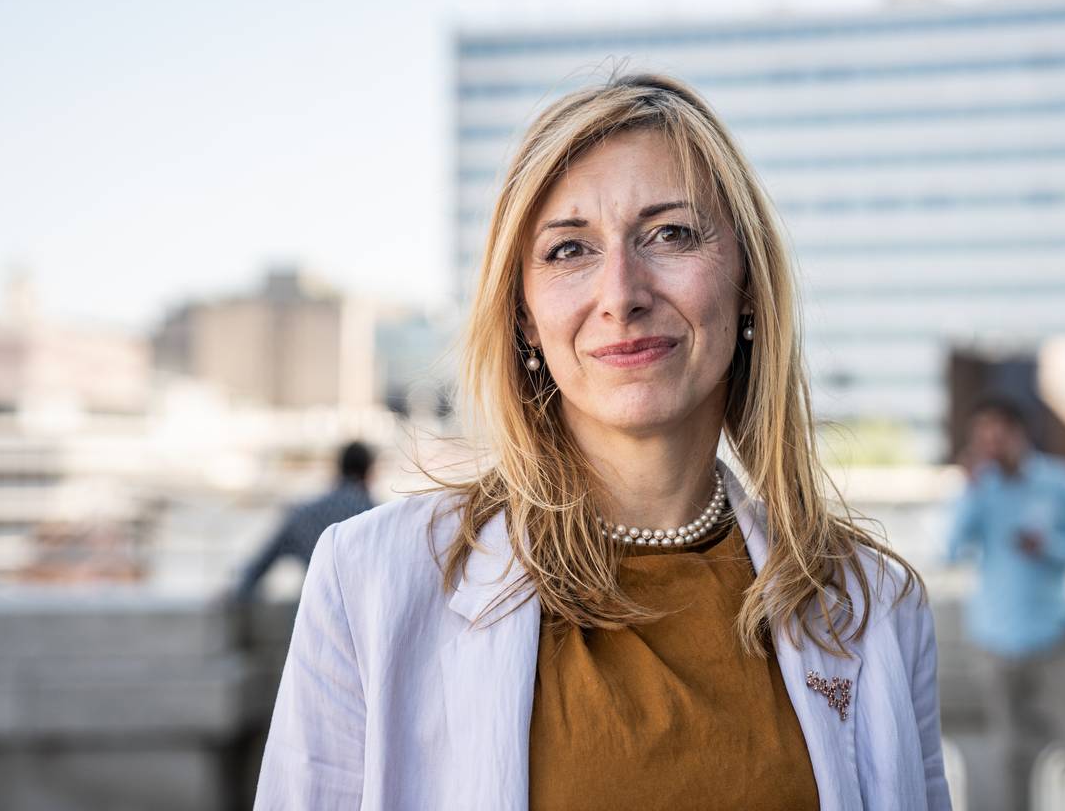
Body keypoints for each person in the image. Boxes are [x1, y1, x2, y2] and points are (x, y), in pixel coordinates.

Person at [254, 74, 951, 810]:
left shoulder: (874, 603)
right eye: (568, 250)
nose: (622, 293)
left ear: (747, 282)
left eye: (671, 234)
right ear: (523, 315)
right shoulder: (369, 581)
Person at [948, 394, 1065, 810]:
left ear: (1018, 433)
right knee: (1011, 755)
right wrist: (969, 492)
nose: (991, 445)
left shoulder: (1057, 480)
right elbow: (950, 551)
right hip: (995, 643)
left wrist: (1047, 546)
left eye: (998, 434)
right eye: (982, 438)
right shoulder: (979, 489)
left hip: (1055, 640)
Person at [233, 440, 375, 601]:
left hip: (318, 608)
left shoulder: (304, 513)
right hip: (364, 608)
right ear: (369, 472)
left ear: (338, 469)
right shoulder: (374, 515)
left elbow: (258, 566)